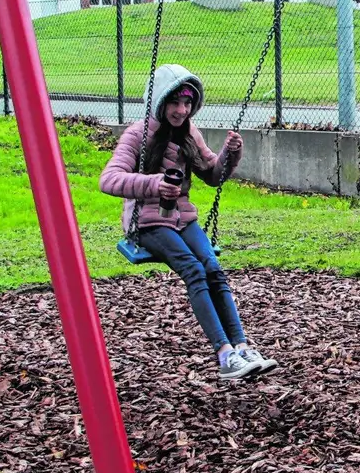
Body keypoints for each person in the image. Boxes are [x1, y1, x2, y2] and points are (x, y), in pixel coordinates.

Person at [100, 64, 279, 381]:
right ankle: (224, 355)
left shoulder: (188, 133)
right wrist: (153, 184)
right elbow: (109, 179)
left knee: (213, 268)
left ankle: (242, 346)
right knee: (194, 270)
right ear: (160, 101)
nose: (181, 110)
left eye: (187, 103)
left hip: (182, 218)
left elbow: (212, 173)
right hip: (149, 223)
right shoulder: (137, 134)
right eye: (175, 103)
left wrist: (229, 153)